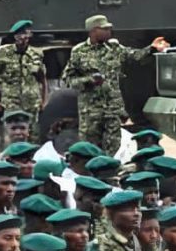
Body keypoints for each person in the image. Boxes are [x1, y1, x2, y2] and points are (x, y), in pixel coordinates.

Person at [59, 15, 167, 157]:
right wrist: (89, 80)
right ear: (93, 31)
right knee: (89, 147)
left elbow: (134, 55)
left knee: (113, 145)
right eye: (104, 29)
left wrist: (152, 48)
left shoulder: (114, 48)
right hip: (91, 110)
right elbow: (67, 79)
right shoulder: (79, 52)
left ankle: (108, 172)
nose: (109, 31)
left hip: (112, 108)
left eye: (109, 28)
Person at [0, 20, 47, 121]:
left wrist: (44, 101)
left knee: (33, 135)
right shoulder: (4, 53)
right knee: (11, 132)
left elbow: (42, 78)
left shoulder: (36, 54)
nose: (23, 37)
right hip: (11, 105)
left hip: (32, 106)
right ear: (15, 36)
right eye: (20, 34)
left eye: (26, 33)